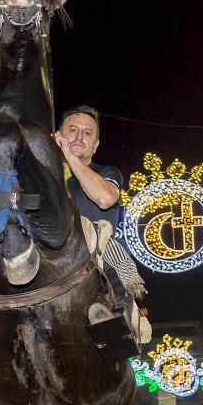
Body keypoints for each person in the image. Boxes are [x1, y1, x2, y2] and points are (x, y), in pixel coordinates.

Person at [54, 105, 148, 339]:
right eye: (73, 130)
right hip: (46, 246)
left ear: (95, 145)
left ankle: (118, 327)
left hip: (98, 253)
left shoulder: (107, 172)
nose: (78, 137)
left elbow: (105, 198)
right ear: (58, 136)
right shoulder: (42, 175)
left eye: (87, 133)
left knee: (120, 290)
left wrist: (69, 157)